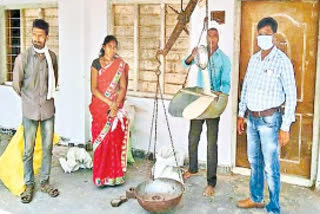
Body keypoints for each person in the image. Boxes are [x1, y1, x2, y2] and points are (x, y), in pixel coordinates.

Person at [237, 17, 297, 214]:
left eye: (267, 34)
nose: (263, 38)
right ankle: (256, 198)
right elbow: (245, 88)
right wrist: (241, 114)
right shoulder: (254, 59)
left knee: (271, 167)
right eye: (260, 34)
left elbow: (291, 95)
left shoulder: (282, 61)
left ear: (274, 36)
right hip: (252, 119)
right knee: (254, 161)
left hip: (270, 121)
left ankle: (274, 207)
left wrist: (285, 127)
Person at [13, 19, 59, 203]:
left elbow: (54, 80)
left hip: (47, 109)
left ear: (47, 36)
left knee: (48, 147)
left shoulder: (52, 57)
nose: (36, 38)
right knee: (28, 150)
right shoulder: (23, 58)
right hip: (30, 110)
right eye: (34, 34)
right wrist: (30, 100)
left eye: (40, 35)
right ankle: (29, 184)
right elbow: (17, 85)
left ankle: (45, 182)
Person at [182, 28, 231, 196]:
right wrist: (192, 53)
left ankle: (211, 182)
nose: (211, 39)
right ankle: (193, 168)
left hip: (213, 103)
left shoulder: (224, 59)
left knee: (211, 144)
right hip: (199, 100)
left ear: (218, 38)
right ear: (206, 37)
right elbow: (185, 64)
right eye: (209, 36)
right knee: (193, 137)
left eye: (214, 36)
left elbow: (226, 83)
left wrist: (219, 95)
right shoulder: (201, 54)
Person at [89, 35, 129, 187]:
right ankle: (100, 176)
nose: (112, 49)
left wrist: (116, 105)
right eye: (110, 46)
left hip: (114, 108)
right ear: (104, 47)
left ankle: (114, 176)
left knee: (113, 140)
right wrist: (109, 103)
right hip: (100, 107)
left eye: (115, 47)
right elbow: (93, 88)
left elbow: (123, 87)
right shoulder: (96, 64)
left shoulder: (120, 65)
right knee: (101, 140)